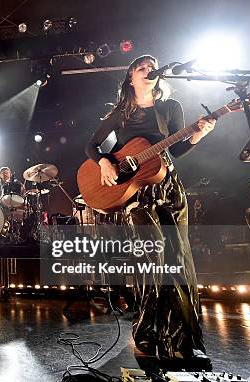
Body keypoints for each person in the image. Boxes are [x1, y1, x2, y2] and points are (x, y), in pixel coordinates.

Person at [86, 55, 216, 369]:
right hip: (136, 192)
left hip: (168, 183)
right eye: (143, 66)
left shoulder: (170, 108)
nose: (150, 69)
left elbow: (178, 148)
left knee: (179, 258)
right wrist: (104, 161)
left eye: (153, 66)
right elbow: (92, 145)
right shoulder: (120, 114)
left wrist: (200, 133)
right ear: (130, 76)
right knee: (150, 260)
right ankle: (146, 334)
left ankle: (182, 340)